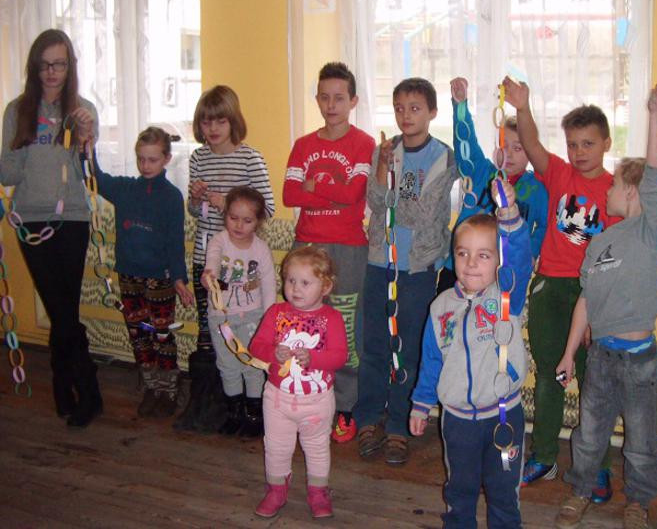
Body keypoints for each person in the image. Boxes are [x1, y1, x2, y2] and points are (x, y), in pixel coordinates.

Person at [553, 81, 657, 529]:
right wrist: (569, 353)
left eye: (616, 185)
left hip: (640, 360)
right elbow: (586, 300)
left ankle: (638, 503)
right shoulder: (599, 241)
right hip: (601, 356)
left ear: (634, 193)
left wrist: (656, 114)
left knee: (641, 440)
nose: (606, 191)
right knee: (589, 433)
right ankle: (580, 492)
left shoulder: (651, 233)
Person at [502, 77, 620, 499]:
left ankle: (596, 466)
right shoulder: (558, 174)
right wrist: (522, 107)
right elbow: (532, 144)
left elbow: (617, 256)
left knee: (594, 384)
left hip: (592, 294)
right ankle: (545, 455)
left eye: (588, 143)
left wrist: (599, 312)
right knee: (550, 375)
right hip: (551, 287)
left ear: (606, 143)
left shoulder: (615, 192)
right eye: (572, 144)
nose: (579, 152)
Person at [411, 177, 533, 529]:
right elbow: (431, 361)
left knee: (503, 492)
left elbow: (520, 257)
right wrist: (421, 403)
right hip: (457, 420)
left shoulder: (506, 297)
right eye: (462, 253)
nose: (471, 263)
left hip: (502, 416)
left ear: (498, 261)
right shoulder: (441, 307)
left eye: (483, 255)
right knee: (459, 490)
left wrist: (509, 214)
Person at [353, 77, 457, 465]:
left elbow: (422, 213)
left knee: (407, 349)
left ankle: (399, 424)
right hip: (379, 262)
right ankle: (368, 419)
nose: (406, 116)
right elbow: (374, 200)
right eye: (399, 108)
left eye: (415, 108)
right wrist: (382, 166)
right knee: (374, 347)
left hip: (417, 269)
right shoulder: (386, 151)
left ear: (431, 112)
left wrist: (389, 200)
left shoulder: (442, 157)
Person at [0, 29, 101, 427]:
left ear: (70, 66)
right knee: (61, 310)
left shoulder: (83, 110)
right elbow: (8, 175)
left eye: (59, 64)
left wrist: (86, 140)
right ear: (34, 68)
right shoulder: (17, 110)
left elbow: (86, 173)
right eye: (44, 65)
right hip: (30, 220)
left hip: (72, 217)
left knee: (64, 309)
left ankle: (69, 385)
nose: (51, 72)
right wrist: (21, 148)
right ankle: (84, 388)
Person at [283, 62, 375, 443]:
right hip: (306, 246)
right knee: (304, 327)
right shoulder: (303, 144)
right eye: (325, 97)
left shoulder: (363, 143)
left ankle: (346, 407)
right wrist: (328, 191)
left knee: (346, 328)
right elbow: (290, 195)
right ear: (317, 100)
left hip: (349, 249)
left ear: (353, 101)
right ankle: (306, 396)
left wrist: (313, 186)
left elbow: (354, 194)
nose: (331, 105)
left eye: (339, 98)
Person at [176, 85, 274, 432]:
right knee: (212, 335)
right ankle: (218, 406)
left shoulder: (250, 158)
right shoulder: (198, 158)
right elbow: (195, 212)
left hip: (243, 263)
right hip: (207, 260)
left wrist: (226, 203)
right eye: (206, 122)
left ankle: (252, 409)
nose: (213, 128)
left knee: (246, 335)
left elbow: (268, 209)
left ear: (233, 121)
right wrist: (196, 200)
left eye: (220, 121)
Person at [94, 126, 194, 418]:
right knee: (138, 333)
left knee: (162, 335)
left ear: (166, 159)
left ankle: (169, 389)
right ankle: (151, 386)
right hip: (129, 275)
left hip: (160, 278)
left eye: (152, 159)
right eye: (141, 159)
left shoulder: (171, 197)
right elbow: (96, 179)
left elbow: (175, 242)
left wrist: (179, 279)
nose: (146, 165)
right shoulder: (125, 189)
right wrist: (87, 149)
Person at [249, 246, 347, 519]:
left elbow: (340, 357)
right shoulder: (276, 313)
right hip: (278, 398)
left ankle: (318, 492)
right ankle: (276, 489)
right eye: (291, 280)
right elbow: (256, 346)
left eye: (305, 283)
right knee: (276, 448)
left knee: (317, 448)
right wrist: (273, 353)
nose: (295, 288)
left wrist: (314, 358)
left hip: (317, 401)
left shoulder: (332, 318)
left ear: (325, 287)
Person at [438, 76, 547, 293]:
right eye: (504, 147)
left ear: (530, 151)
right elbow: (466, 144)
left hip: (502, 273)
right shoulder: (482, 171)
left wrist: (532, 252)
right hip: (459, 269)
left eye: (518, 148)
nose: (509, 154)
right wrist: (460, 106)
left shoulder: (537, 190)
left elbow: (544, 226)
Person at [201, 187, 276, 437]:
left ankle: (254, 415)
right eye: (233, 218)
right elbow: (212, 261)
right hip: (221, 318)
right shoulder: (219, 241)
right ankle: (234, 413)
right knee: (228, 366)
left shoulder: (261, 249)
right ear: (225, 214)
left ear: (258, 222)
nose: (239, 225)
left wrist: (269, 322)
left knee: (252, 366)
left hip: (253, 317)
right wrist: (209, 275)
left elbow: (269, 286)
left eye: (247, 220)